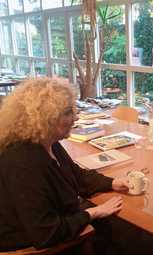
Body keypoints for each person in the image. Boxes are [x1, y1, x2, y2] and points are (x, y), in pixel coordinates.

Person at [0, 77, 131, 252]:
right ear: (46, 119)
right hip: (24, 238)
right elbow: (45, 232)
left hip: (48, 220)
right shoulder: (22, 162)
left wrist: (111, 182)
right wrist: (93, 213)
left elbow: (75, 174)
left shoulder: (48, 142)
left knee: (110, 225)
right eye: (68, 112)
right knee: (108, 228)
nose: (76, 117)